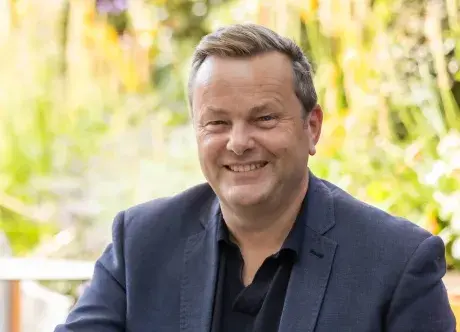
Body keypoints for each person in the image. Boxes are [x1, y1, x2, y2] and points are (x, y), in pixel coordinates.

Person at [54, 23, 456, 332]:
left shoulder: (397, 261)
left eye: (264, 118)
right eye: (217, 123)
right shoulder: (141, 240)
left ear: (312, 127)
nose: (239, 142)